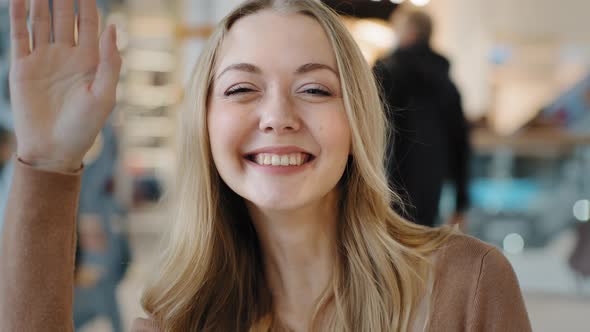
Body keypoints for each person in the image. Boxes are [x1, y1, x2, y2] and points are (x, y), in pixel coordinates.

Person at [0, 0, 531, 331]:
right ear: (205, 125)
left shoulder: (469, 286)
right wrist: (49, 160)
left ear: (357, 123)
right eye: (242, 89)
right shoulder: (178, 322)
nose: (277, 116)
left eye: (314, 88)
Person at [373, 9, 471, 229]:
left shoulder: (385, 72)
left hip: (384, 181)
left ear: (409, 33)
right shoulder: (447, 84)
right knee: (421, 248)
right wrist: (461, 201)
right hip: (432, 185)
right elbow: (461, 144)